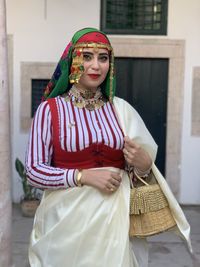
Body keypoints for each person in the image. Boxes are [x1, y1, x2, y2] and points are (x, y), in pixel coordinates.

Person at [25, 27, 192, 267]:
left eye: (103, 58)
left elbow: (137, 172)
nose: (96, 66)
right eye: (87, 56)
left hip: (115, 224)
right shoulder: (49, 110)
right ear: (72, 60)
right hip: (65, 226)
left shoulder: (120, 110)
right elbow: (33, 171)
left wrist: (144, 165)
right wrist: (82, 176)